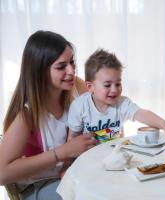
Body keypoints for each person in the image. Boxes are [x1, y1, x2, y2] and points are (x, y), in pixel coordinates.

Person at [0, 30, 97, 199]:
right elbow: (2, 173)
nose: (71, 71)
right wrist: (63, 152)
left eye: (72, 62)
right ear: (40, 71)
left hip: (73, 175)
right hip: (40, 185)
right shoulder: (27, 115)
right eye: (61, 66)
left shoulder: (77, 86)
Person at [68, 49, 165, 143]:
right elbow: (72, 139)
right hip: (89, 157)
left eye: (118, 84)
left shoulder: (122, 103)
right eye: (107, 85)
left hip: (115, 154)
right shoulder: (79, 106)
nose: (115, 89)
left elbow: (141, 113)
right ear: (90, 87)